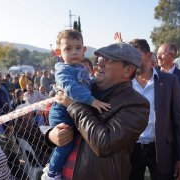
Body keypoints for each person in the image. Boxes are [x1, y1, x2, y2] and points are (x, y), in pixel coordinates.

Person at [45, 42, 150, 180]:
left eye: (108, 59)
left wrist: (74, 106)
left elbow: (104, 144)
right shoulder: (84, 89)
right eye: (100, 58)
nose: (100, 63)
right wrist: (51, 136)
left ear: (127, 71)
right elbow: (60, 118)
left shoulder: (136, 104)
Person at [43, 30, 111, 180]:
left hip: (74, 110)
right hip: (62, 111)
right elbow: (70, 88)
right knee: (66, 142)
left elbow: (88, 83)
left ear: (84, 50)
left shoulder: (81, 68)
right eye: (68, 48)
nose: (74, 52)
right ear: (58, 52)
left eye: (78, 48)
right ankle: (52, 172)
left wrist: (98, 82)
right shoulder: (62, 69)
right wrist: (92, 100)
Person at [127, 38, 180, 180]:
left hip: (161, 149)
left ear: (149, 56)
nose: (132, 63)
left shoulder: (170, 81)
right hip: (131, 149)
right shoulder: (124, 83)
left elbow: (179, 121)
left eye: (135, 57)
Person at [156, 43, 180, 112]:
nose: (158, 57)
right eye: (157, 53)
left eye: (162, 54)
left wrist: (166, 114)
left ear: (172, 55)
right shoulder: (151, 74)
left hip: (172, 121)